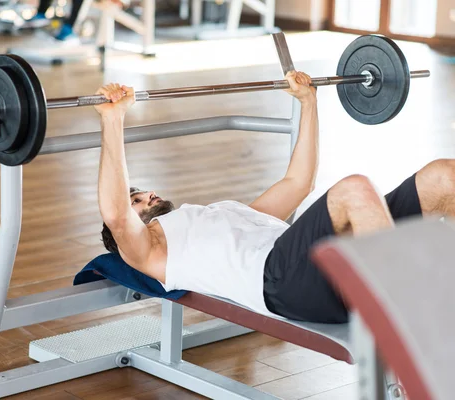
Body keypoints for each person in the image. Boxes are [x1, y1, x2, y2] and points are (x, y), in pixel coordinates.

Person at [94, 73, 455, 324]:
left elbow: (299, 182)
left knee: (442, 176)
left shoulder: (224, 214)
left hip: (307, 255)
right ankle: (414, 331)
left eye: (142, 192)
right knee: (355, 189)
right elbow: (116, 214)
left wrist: (309, 101)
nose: (148, 195)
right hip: (281, 280)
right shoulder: (152, 251)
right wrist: (114, 119)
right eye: (139, 201)